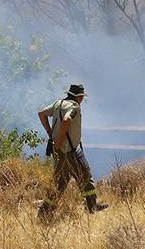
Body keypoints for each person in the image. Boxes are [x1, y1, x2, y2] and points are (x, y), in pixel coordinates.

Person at [38, 82, 102, 213]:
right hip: (70, 151)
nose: (82, 100)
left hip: (61, 152)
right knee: (85, 176)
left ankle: (44, 213)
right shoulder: (74, 107)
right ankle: (92, 207)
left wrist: (50, 133)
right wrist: (60, 141)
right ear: (78, 97)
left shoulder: (58, 104)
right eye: (82, 97)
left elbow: (41, 114)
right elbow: (67, 120)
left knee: (59, 183)